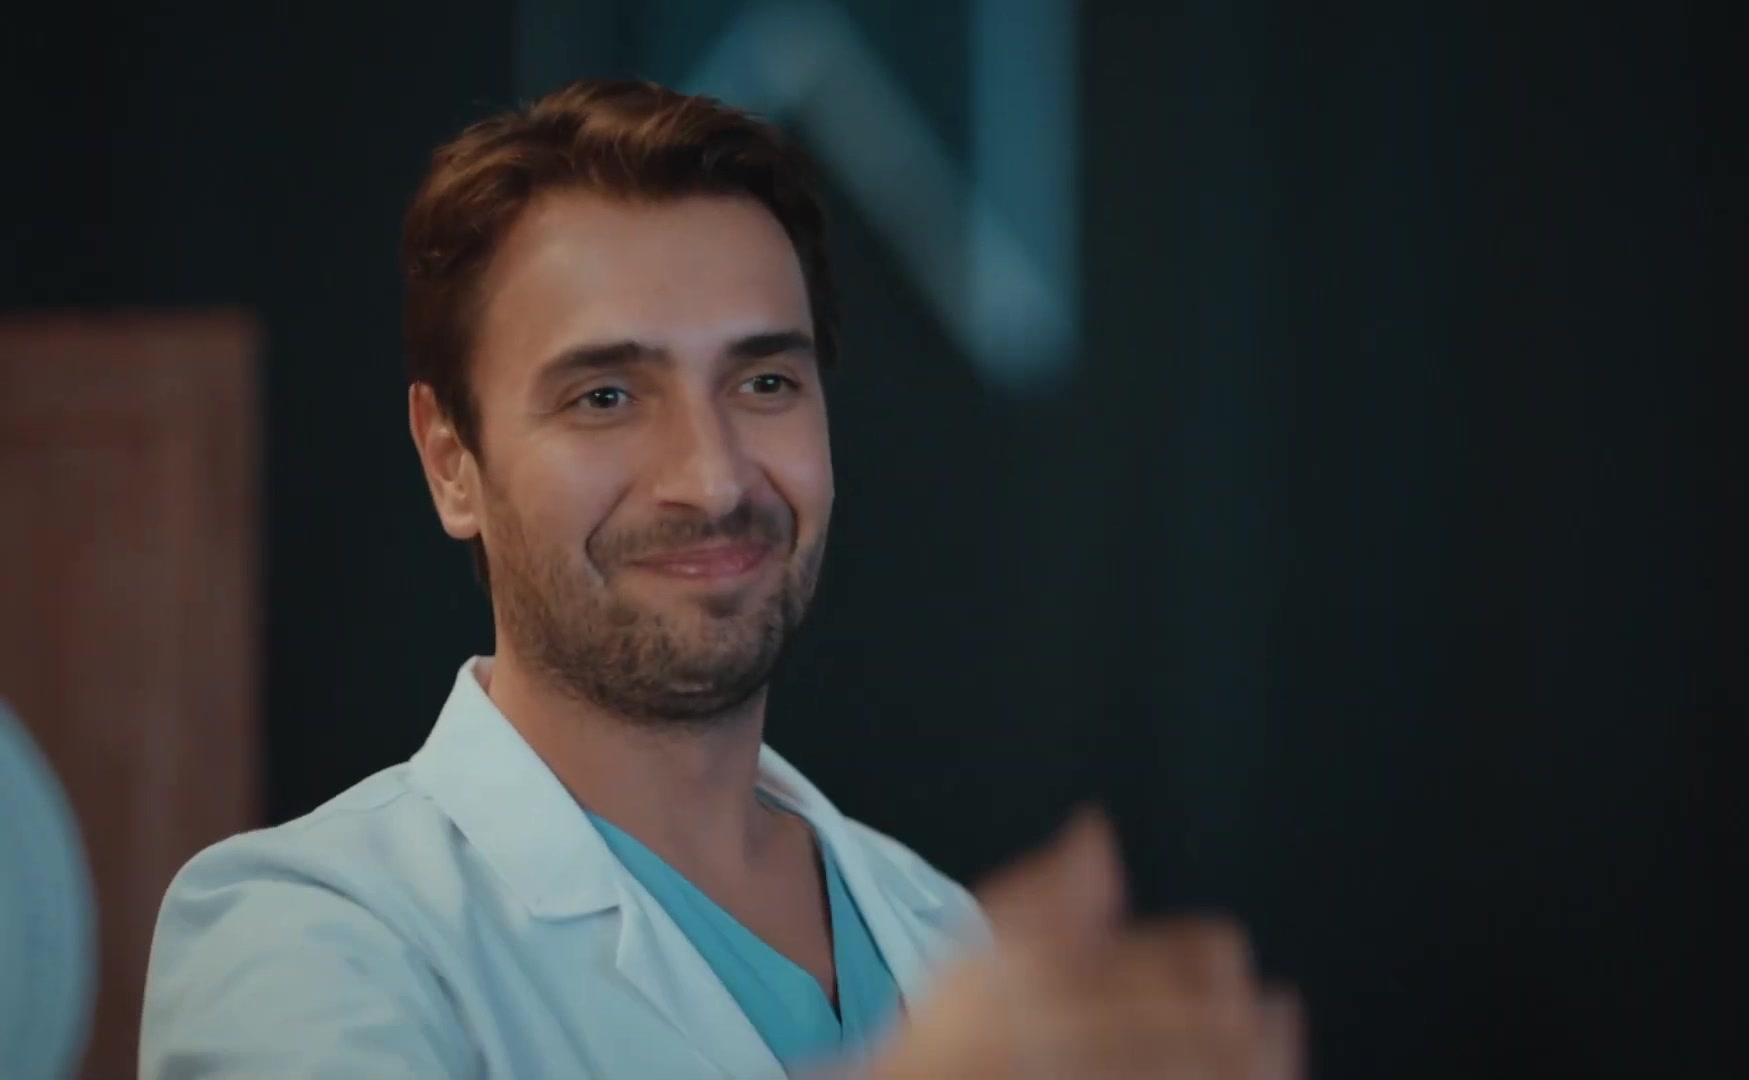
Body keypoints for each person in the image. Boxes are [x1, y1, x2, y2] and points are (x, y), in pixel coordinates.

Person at [139, 79, 1304, 1079]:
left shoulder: (935, 931)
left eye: (763, 384)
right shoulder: (302, 933)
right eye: (606, 396)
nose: (711, 478)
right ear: (453, 463)